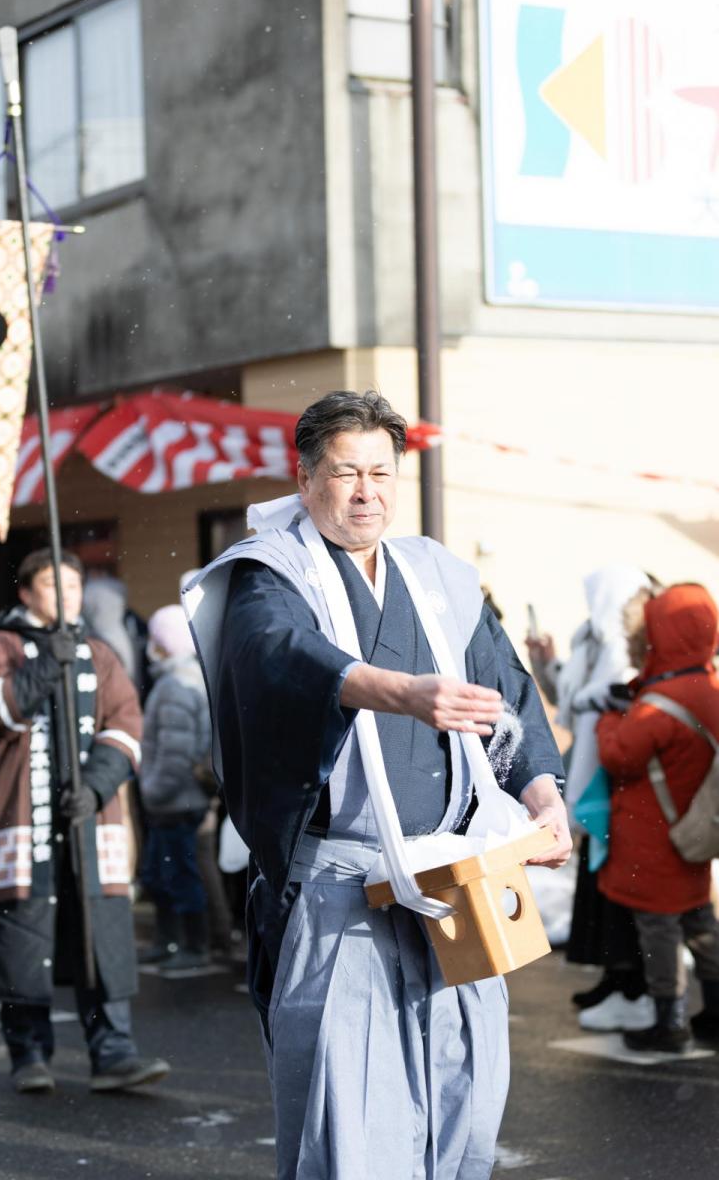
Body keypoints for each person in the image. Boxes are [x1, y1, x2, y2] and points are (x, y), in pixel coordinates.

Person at [185, 390, 571, 1179]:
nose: (366, 491)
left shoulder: (437, 575)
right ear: (304, 480)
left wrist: (541, 793)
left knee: (462, 1094)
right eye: (343, 473)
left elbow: (508, 690)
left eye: (380, 472)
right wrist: (402, 691)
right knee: (352, 1120)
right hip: (339, 886)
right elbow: (277, 655)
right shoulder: (270, 571)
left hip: (451, 875)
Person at [0, 548, 170, 1094]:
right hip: (19, 821)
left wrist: (97, 784)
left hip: (88, 822)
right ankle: (28, 1052)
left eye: (75, 587)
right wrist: (41, 665)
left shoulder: (99, 654)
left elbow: (126, 724)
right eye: (55, 587)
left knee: (99, 932)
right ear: (27, 594)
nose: (68, 597)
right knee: (21, 934)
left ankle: (113, 1051)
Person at [526, 567, 654, 1032]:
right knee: (600, 883)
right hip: (596, 775)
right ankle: (613, 976)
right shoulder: (592, 640)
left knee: (619, 883)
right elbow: (572, 697)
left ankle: (630, 984)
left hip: (616, 781)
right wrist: (547, 663)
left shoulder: (626, 646)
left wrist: (595, 701)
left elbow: (614, 702)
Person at [597, 582, 719, 1053]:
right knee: (700, 920)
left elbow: (619, 756)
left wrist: (610, 720)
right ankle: (715, 1010)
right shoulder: (708, 687)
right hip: (694, 832)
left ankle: (670, 1021)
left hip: (653, 838)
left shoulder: (658, 703)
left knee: (659, 927)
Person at [138, 603, 212, 970]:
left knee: (177, 876)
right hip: (183, 799)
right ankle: (172, 942)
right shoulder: (193, 678)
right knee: (168, 873)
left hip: (174, 801)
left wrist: (151, 791)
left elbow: (174, 755)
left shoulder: (174, 686)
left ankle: (191, 947)